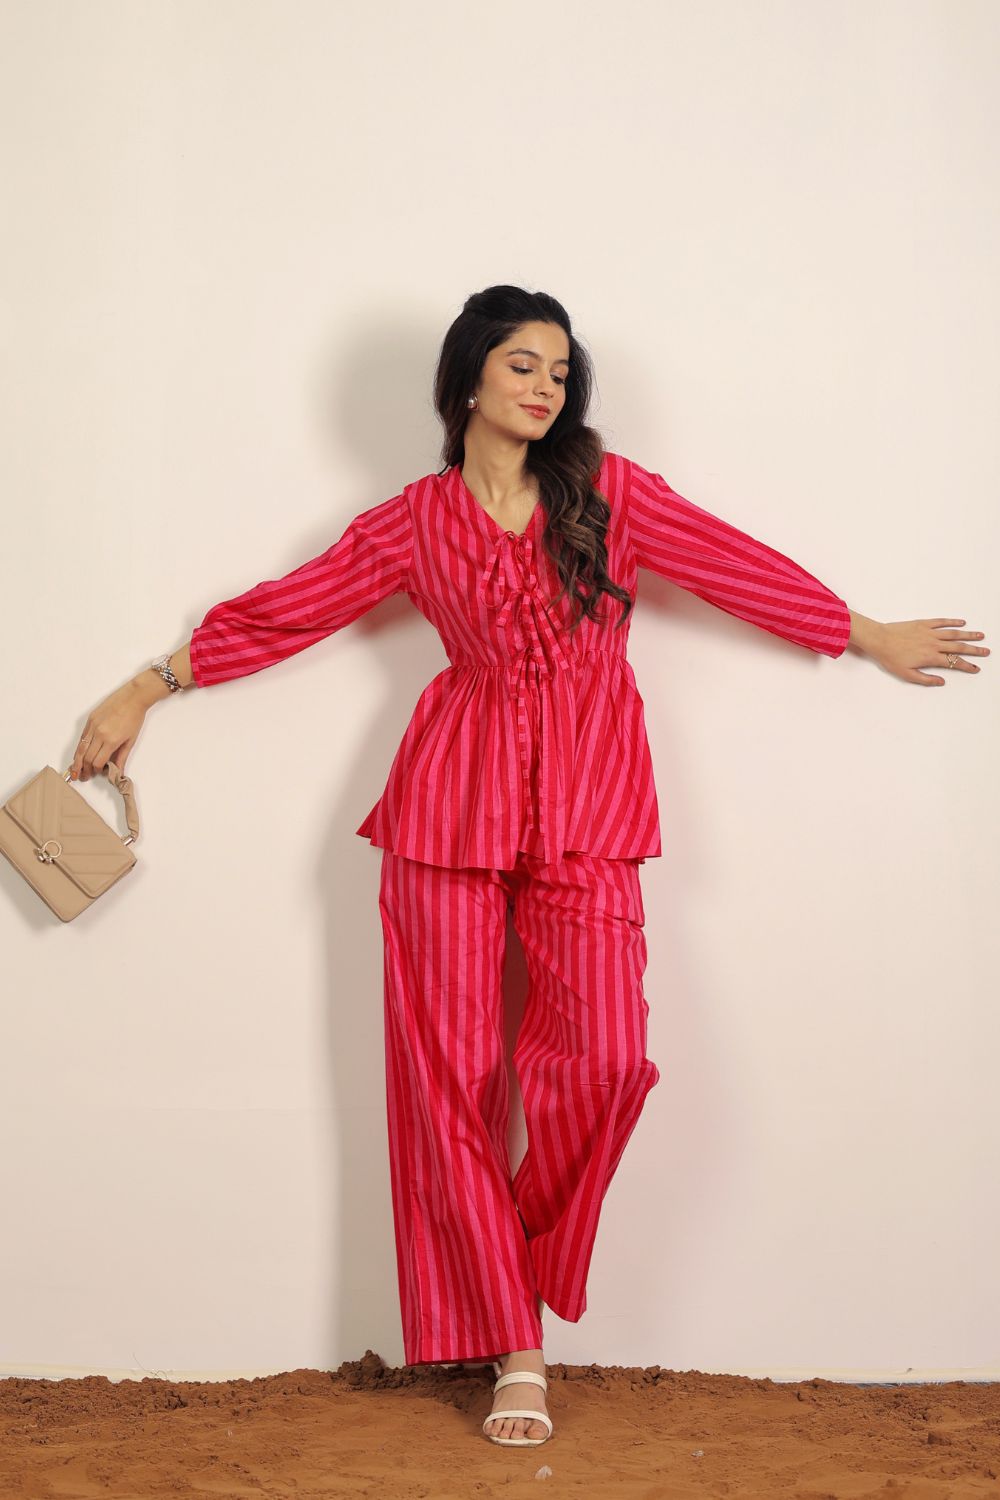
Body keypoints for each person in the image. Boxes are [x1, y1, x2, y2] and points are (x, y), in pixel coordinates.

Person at [69, 285, 988, 1447]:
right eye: (521, 364)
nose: (546, 386)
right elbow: (291, 609)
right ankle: (517, 1346)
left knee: (605, 1059)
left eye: (560, 370)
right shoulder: (412, 521)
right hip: (444, 812)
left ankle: (509, 1259)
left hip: (590, 813)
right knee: (446, 1083)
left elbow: (727, 560)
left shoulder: (611, 495)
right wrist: (147, 685)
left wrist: (862, 632)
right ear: (467, 380)